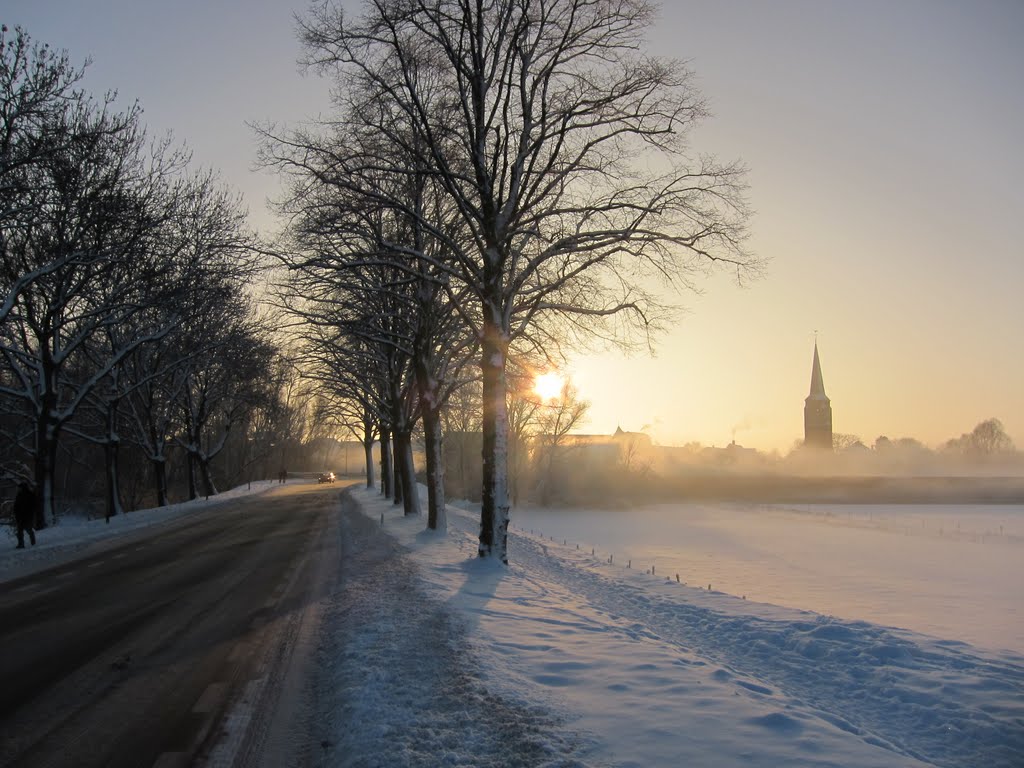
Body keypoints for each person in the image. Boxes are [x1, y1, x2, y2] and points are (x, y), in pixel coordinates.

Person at [13, 481, 36, 549]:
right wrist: (15, 512)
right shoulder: (19, 495)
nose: (19, 489)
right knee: (19, 531)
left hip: (27, 515)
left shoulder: (30, 495)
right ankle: (21, 544)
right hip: (19, 516)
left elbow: (33, 505)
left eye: (20, 488)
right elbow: (16, 505)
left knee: (28, 529)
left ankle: (32, 539)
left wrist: (30, 513)